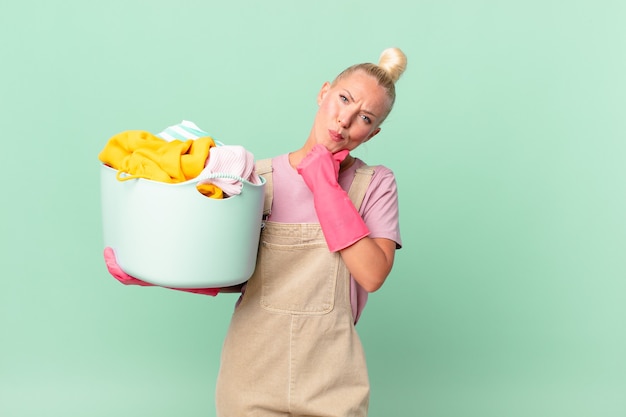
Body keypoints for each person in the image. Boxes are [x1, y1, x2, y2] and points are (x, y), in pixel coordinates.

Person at [104, 47, 406, 416]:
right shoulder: (255, 180)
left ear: (372, 134)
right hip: (251, 376)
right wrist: (149, 272)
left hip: (332, 379)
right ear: (323, 92)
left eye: (364, 117)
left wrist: (325, 185)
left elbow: (372, 274)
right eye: (343, 99)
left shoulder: (374, 184)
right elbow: (239, 273)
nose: (344, 119)